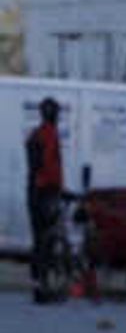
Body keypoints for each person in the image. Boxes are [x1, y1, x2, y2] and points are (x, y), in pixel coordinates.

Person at [24, 101, 66, 303]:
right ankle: (42, 290)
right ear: (53, 114)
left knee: (40, 241)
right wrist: (57, 190)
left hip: (36, 192)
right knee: (45, 242)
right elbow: (48, 167)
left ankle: (39, 287)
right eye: (57, 113)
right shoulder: (48, 134)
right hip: (44, 193)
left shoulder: (36, 134)